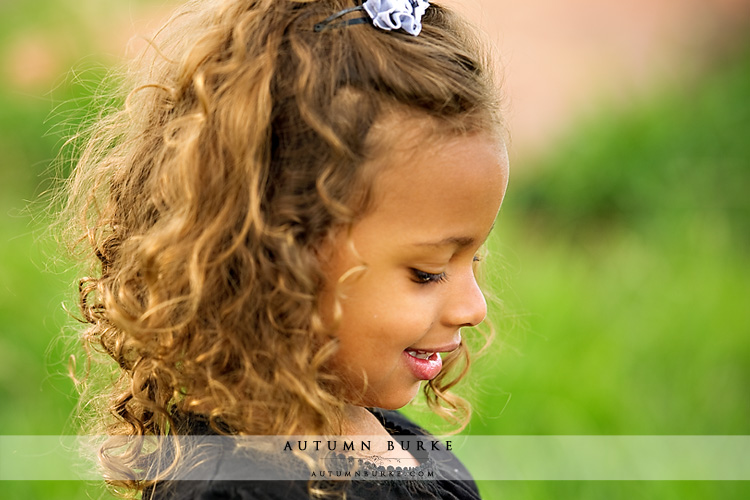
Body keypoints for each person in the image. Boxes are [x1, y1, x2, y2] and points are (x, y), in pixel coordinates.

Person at [62, 0, 509, 498]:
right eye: (426, 272)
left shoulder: (391, 440)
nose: (475, 307)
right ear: (278, 261)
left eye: (473, 258)